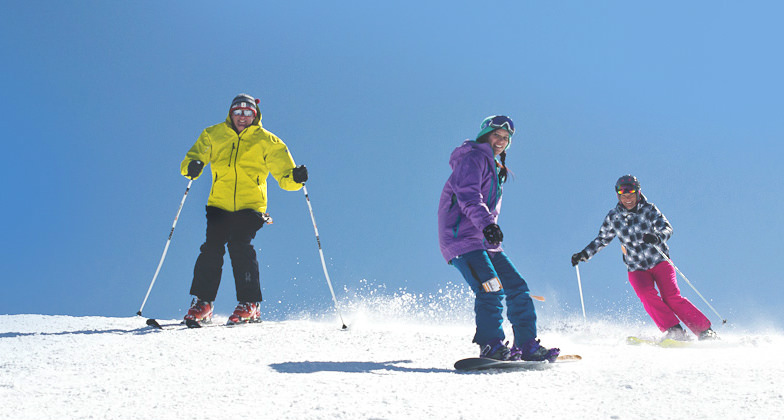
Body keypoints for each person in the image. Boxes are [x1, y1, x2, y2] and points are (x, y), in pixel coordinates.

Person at [437, 115, 560, 362]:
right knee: (491, 289)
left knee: (517, 288)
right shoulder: (472, 158)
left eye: (506, 139)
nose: (501, 141)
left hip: (485, 241)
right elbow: (469, 196)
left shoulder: (495, 167)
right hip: (462, 238)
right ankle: (491, 344)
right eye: (497, 135)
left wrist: (489, 231)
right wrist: (488, 226)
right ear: (485, 135)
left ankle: (526, 344)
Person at [180, 93, 308, 325]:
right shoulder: (213, 134)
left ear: (255, 114)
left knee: (239, 244)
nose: (242, 117)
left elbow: (285, 176)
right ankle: (204, 303)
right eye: (237, 112)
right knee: (211, 249)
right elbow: (193, 157)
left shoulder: (268, 141)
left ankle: (250, 304)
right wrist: (192, 166)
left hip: (251, 206)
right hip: (219, 204)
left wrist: (296, 178)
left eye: (247, 113)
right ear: (231, 114)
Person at [570, 175, 719, 341]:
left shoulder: (649, 209)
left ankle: (705, 331)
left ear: (638, 193)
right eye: (624, 196)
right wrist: (584, 254)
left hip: (659, 262)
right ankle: (675, 331)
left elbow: (666, 228)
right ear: (618, 196)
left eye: (631, 195)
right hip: (636, 268)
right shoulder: (614, 217)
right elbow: (602, 239)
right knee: (646, 295)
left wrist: (657, 237)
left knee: (671, 297)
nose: (628, 199)